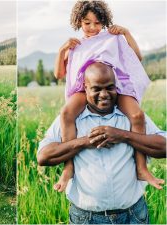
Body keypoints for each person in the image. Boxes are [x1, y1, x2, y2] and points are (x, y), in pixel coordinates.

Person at [53, 0, 163, 192]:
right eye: (87, 23)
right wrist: (62, 50)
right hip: (84, 89)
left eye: (97, 23)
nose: (93, 27)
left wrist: (126, 33)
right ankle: (68, 168)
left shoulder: (112, 38)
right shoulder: (75, 45)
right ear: (78, 21)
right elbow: (59, 75)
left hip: (115, 86)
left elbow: (137, 57)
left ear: (104, 21)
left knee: (137, 116)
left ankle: (141, 168)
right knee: (66, 114)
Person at [37, 62, 166, 224]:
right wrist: (85, 141)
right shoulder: (70, 119)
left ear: (116, 86)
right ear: (85, 88)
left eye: (109, 87)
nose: (104, 94)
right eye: (96, 89)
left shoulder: (132, 116)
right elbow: (43, 157)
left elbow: (164, 146)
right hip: (86, 218)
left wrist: (122, 135)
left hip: (133, 215)